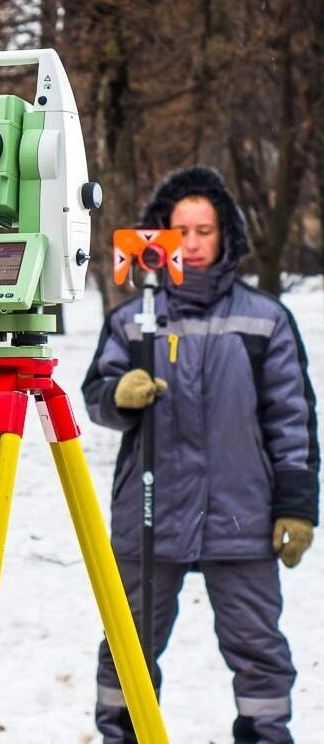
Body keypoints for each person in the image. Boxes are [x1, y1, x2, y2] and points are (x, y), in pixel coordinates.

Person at [81, 166, 319, 744]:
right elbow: (95, 396)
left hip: (242, 516)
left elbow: (292, 421)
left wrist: (297, 507)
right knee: (128, 649)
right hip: (150, 516)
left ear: (225, 237)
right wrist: (119, 393)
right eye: (179, 229)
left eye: (204, 230)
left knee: (260, 653)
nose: (190, 241)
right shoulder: (131, 318)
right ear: (159, 234)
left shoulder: (265, 320)